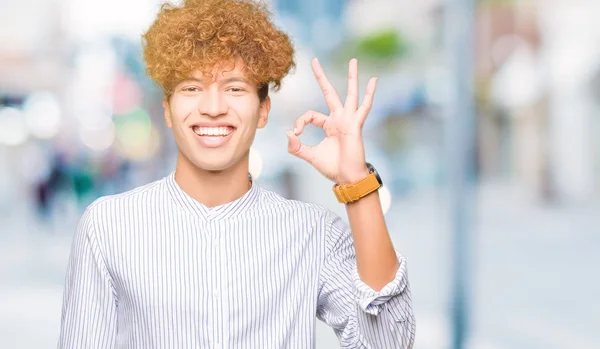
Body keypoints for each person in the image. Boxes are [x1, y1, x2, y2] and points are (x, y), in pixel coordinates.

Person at [57, 0, 416, 348]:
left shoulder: (313, 234)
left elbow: (390, 342)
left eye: (234, 88)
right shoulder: (107, 227)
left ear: (263, 110)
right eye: (192, 88)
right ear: (167, 110)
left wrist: (356, 181)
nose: (213, 108)